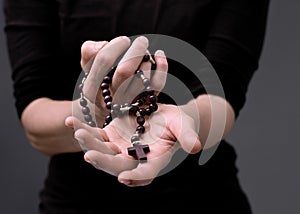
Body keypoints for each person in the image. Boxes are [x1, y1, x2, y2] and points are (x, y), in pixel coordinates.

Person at [3, 0, 270, 213]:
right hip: (75, 202)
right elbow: (34, 117)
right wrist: (94, 112)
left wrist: (179, 121)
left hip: (200, 200)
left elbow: (219, 98)